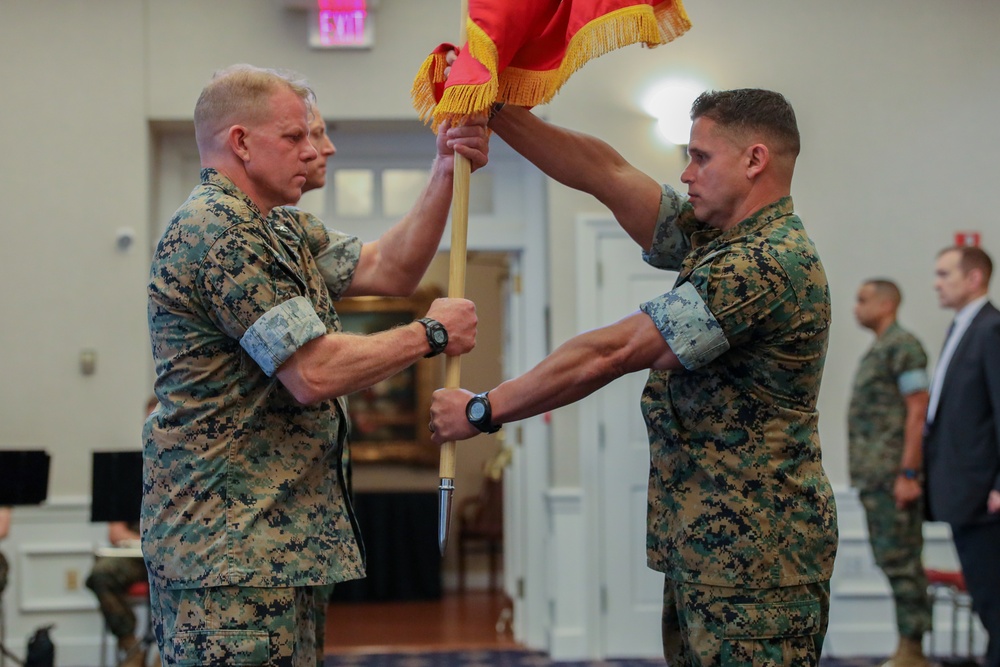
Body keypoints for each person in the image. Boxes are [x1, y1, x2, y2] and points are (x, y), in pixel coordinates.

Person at [429, 89, 838, 665]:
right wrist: (493, 106)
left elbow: (613, 352)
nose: (685, 172)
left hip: (756, 560)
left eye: (700, 157)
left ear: (754, 160)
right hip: (714, 551)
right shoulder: (720, 240)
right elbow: (605, 171)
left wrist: (482, 410)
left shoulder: (765, 263)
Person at [142, 64, 488, 667]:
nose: (317, 150)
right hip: (229, 554)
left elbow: (390, 269)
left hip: (271, 546)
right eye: (296, 136)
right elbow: (314, 373)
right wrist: (430, 333)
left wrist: (443, 170)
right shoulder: (219, 232)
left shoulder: (275, 226)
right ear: (241, 143)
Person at [848, 279, 932, 667]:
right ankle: (907, 645)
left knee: (902, 562)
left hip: (894, 475)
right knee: (890, 559)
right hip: (875, 476)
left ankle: (913, 648)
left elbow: (918, 411)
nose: (856, 307)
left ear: (885, 305)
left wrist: (909, 473)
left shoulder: (903, 347)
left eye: (863, 300)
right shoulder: (881, 349)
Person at [923, 245, 1000, 667]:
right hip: (961, 490)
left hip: (985, 497)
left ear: (974, 278)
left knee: (994, 602)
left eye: (945, 274)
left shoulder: (990, 329)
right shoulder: (962, 326)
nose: (936, 282)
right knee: (988, 601)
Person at [87, 396, 160, 667]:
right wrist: (146, 542)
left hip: (175, 559)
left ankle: (168, 655)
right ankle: (131, 647)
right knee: (100, 574)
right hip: (136, 557)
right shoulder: (126, 470)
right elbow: (116, 533)